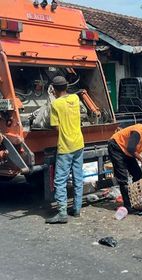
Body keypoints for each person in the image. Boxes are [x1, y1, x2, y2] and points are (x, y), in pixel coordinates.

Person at [46, 76, 84, 224]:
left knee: (60, 181)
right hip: (79, 143)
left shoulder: (56, 104)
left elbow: (55, 126)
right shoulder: (75, 98)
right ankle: (76, 209)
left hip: (66, 146)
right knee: (78, 177)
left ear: (54, 89)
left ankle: (62, 214)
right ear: (66, 86)